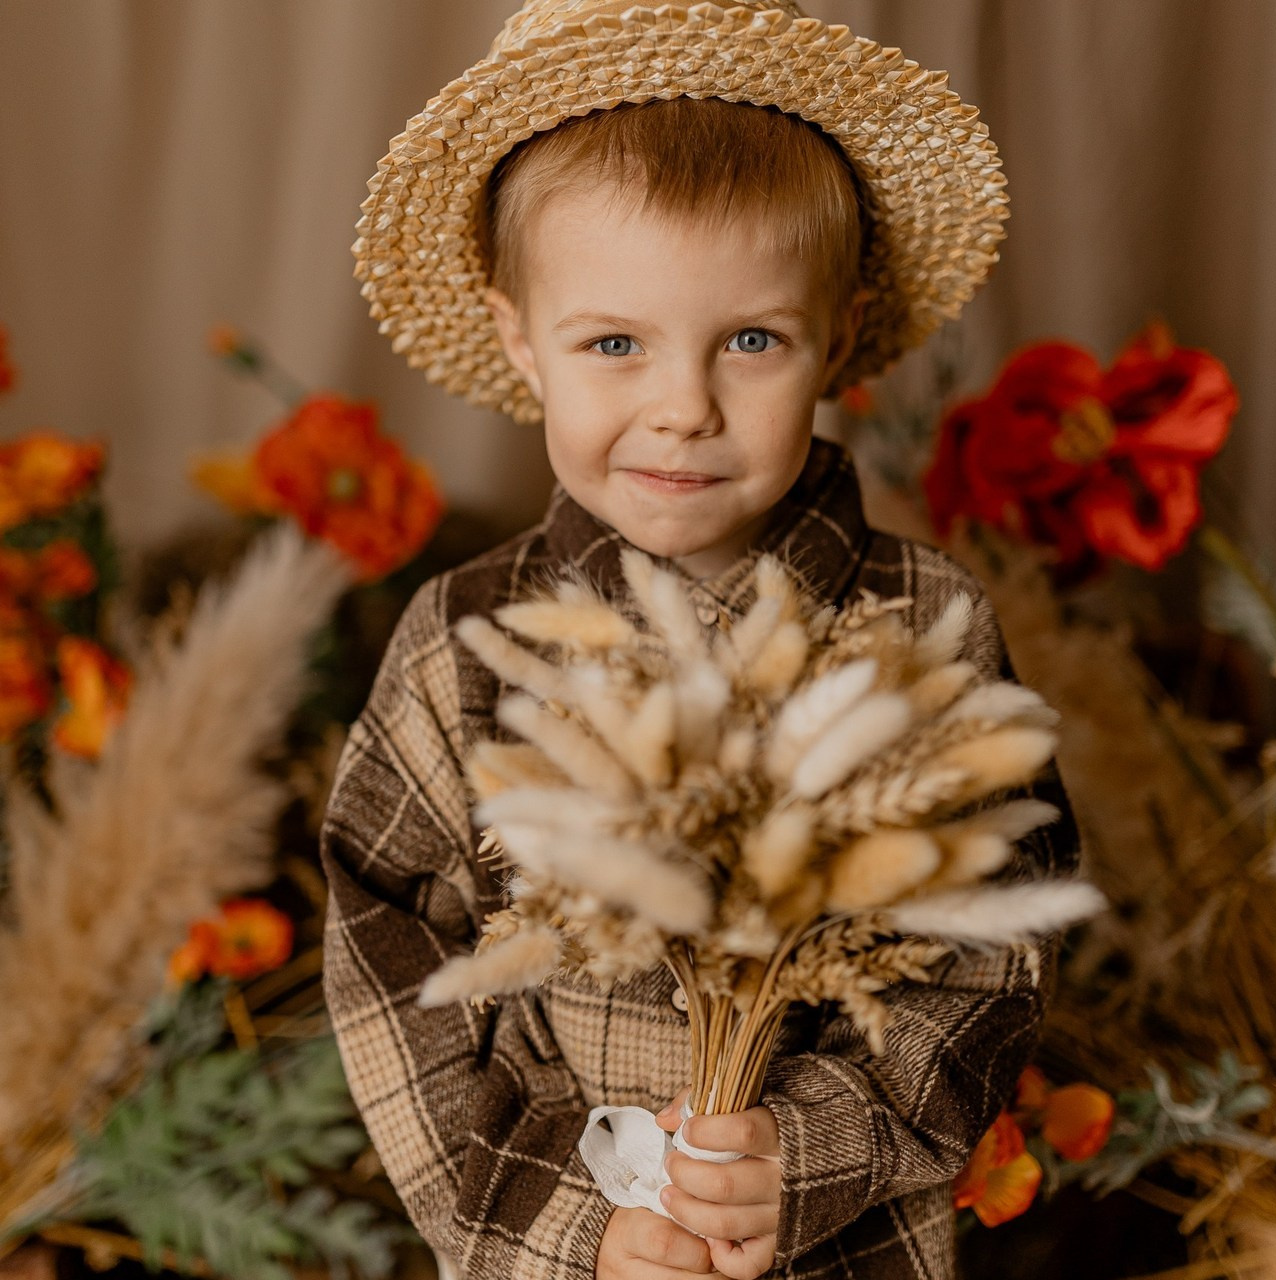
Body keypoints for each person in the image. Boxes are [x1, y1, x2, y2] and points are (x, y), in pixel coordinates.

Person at [321, 3, 1078, 1278]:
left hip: (846, 1239)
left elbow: (993, 939)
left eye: (750, 341)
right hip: (564, 1242)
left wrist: (816, 1143)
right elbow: (391, 948)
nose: (682, 407)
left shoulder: (917, 624)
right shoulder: (466, 641)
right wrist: (571, 1226)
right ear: (522, 342)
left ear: (835, 337)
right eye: (613, 343)